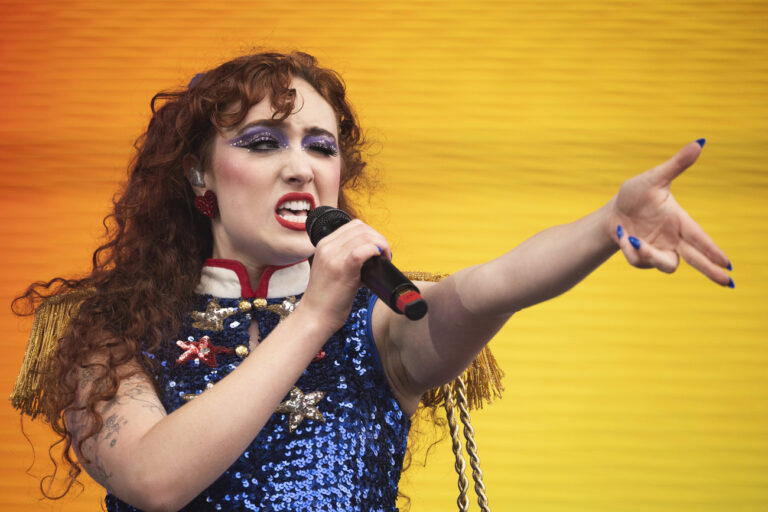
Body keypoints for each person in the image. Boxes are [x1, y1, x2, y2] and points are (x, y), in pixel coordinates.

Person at [14, 51, 732, 512]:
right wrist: (312, 319)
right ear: (200, 173)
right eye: (263, 143)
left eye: (319, 147)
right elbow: (153, 481)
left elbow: (495, 284)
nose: (300, 166)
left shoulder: (382, 314)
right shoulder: (105, 329)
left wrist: (607, 222)